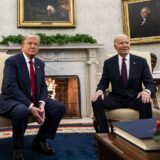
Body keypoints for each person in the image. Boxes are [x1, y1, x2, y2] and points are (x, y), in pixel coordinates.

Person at [0, 35, 65, 160]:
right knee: (22, 110)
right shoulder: (12, 62)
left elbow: (42, 86)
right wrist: (30, 106)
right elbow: (10, 87)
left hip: (33, 99)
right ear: (22, 46)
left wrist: (42, 103)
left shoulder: (40, 63)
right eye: (30, 43)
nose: (33, 46)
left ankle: (40, 141)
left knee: (58, 107)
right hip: (12, 100)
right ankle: (17, 148)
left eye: (36, 44)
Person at [92, 34, 157, 133]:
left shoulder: (141, 62)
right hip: (116, 99)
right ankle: (104, 134)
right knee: (96, 100)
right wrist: (99, 91)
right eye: (121, 43)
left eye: (127, 42)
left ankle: (145, 133)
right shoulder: (109, 63)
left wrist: (147, 91)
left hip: (135, 98)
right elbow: (103, 82)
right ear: (115, 47)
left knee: (145, 100)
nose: (125, 45)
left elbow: (150, 83)